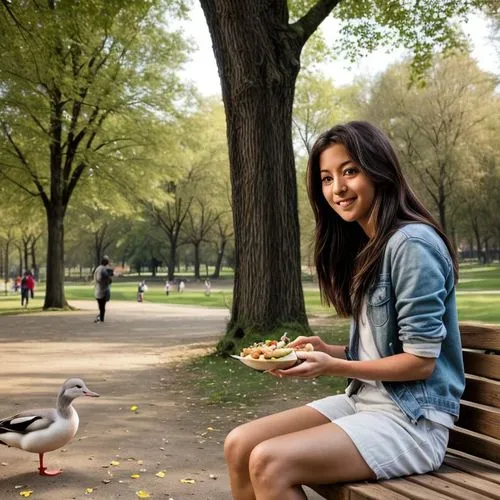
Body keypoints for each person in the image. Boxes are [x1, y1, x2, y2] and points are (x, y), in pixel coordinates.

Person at [224, 121, 465, 499]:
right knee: (239, 445)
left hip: (412, 422)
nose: (337, 188)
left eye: (349, 171)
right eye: (326, 178)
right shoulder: (370, 246)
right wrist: (326, 352)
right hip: (363, 403)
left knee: (269, 461)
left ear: (379, 170)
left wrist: (334, 366)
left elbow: (420, 362)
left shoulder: (412, 244)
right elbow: (380, 353)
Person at [94, 256, 112, 323]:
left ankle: (100, 317)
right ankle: (101, 318)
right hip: (102, 290)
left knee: (101, 306)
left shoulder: (98, 268)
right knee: (102, 306)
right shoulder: (102, 269)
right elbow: (99, 279)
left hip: (98, 290)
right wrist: (107, 280)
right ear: (105, 262)